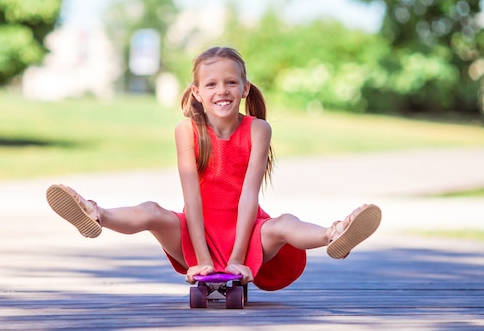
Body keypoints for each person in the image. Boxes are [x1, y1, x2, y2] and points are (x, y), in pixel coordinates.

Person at [46, 46, 382, 290]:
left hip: (247, 231)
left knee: (283, 223)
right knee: (151, 211)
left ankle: (334, 233)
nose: (222, 90)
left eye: (230, 83)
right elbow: (191, 200)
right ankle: (95, 214)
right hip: (196, 232)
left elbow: (249, 196)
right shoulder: (186, 131)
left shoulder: (258, 129)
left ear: (244, 88)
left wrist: (239, 259)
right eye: (211, 84)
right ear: (197, 93)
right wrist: (200, 260)